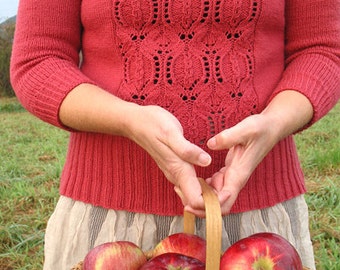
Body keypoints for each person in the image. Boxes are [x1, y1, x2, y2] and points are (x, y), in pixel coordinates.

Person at [10, 0, 339, 269]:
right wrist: (127, 119)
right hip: (110, 225)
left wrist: (275, 121)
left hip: (261, 228)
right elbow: (38, 60)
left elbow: (322, 51)